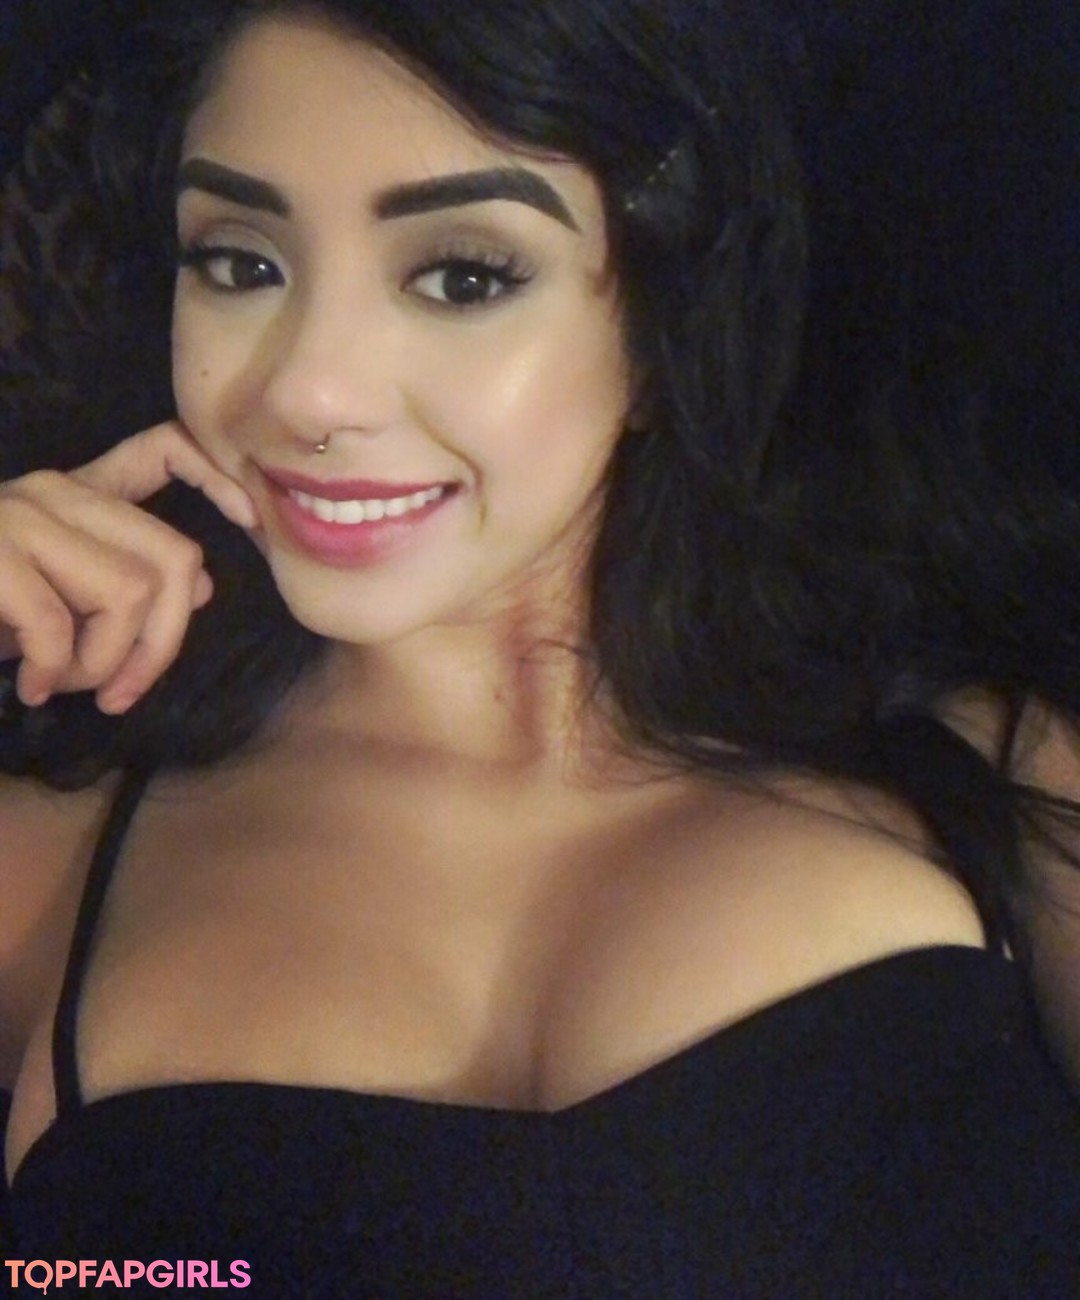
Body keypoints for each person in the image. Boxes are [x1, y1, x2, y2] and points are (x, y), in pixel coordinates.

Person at [0, 0, 1078, 1294]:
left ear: (664, 325)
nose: (304, 392)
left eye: (463, 276)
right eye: (239, 263)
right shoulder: (45, 852)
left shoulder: (998, 775)